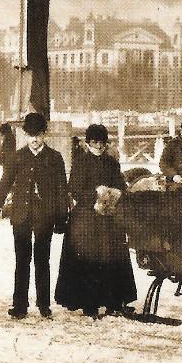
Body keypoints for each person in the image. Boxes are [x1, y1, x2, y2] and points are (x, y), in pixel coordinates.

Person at [0, 112, 69, 319]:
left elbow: (61, 189)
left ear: (45, 134)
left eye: (38, 135)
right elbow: (3, 187)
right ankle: (19, 305)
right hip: (20, 217)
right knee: (22, 260)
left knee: (42, 260)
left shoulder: (55, 158)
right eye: (30, 135)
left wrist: (61, 217)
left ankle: (44, 304)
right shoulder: (17, 157)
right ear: (25, 135)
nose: (35, 139)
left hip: (44, 217)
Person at [55, 124, 136, 318]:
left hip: (109, 217)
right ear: (88, 143)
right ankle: (88, 301)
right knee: (88, 259)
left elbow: (120, 185)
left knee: (113, 258)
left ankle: (114, 300)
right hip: (87, 217)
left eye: (102, 143)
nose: (99, 146)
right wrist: (94, 194)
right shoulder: (81, 162)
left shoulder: (111, 162)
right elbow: (73, 189)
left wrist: (115, 192)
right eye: (95, 143)